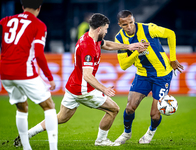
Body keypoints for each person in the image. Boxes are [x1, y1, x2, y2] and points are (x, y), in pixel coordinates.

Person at [13, 13, 148, 147]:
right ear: (99, 29)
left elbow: (107, 45)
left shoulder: (90, 37)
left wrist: (128, 46)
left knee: (61, 117)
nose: (107, 32)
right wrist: (104, 89)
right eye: (106, 29)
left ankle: (27, 134)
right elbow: (87, 76)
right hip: (83, 89)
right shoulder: (88, 46)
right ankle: (101, 141)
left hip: (72, 86)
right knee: (113, 109)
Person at [113, 10, 184, 145]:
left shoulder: (149, 28)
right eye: (125, 25)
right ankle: (126, 133)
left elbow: (171, 34)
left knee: (155, 114)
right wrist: (136, 53)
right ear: (119, 24)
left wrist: (173, 58)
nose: (129, 27)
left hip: (162, 75)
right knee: (129, 108)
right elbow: (123, 65)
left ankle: (150, 132)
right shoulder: (120, 39)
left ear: (134, 20)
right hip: (142, 75)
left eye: (131, 22)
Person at [0, 0, 58, 149]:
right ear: (39, 8)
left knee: (22, 107)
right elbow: (39, 55)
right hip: (24, 72)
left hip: (5, 73)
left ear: (23, 7)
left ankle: (26, 146)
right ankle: (53, 148)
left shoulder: (5, 20)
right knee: (49, 106)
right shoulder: (38, 25)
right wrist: (50, 78)